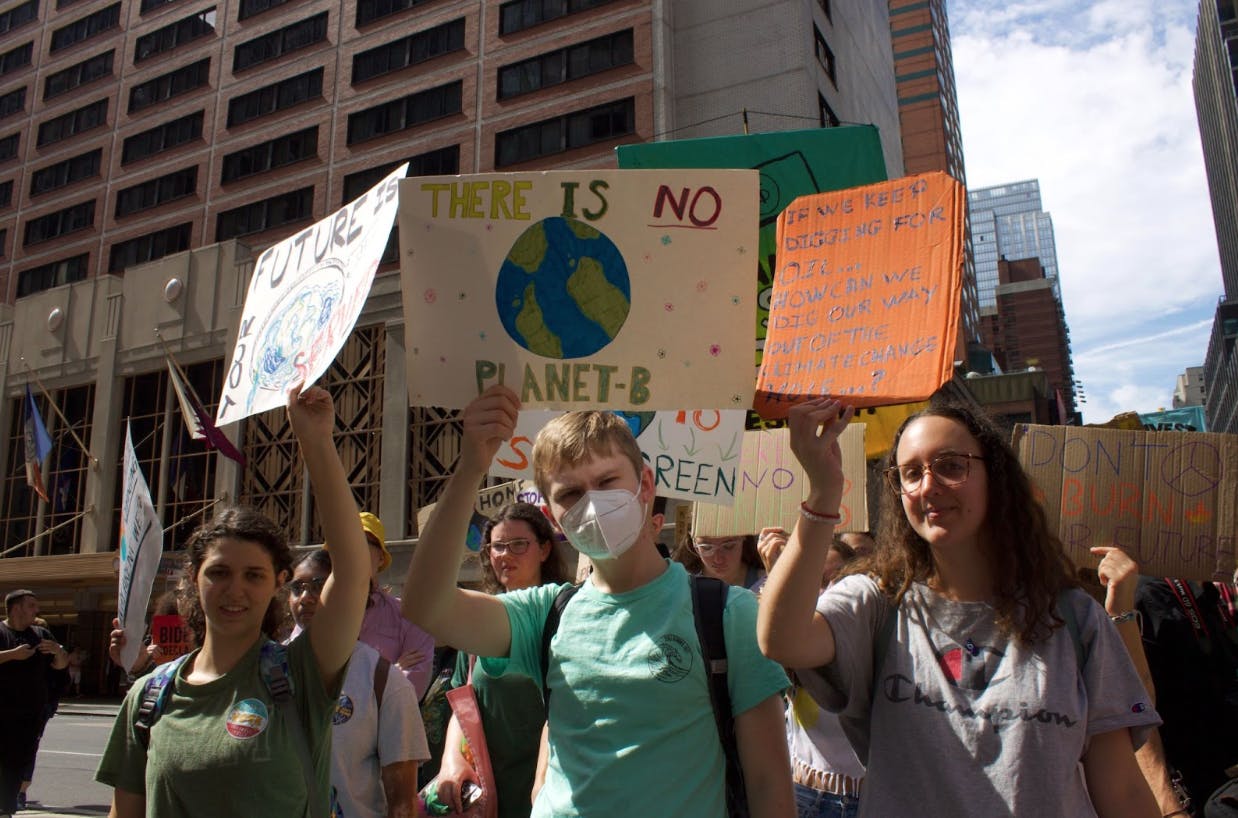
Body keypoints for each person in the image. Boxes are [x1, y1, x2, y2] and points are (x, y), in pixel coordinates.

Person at [403, 385, 793, 818]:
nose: (592, 503)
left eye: (607, 481)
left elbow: (769, 785)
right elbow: (426, 606)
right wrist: (471, 466)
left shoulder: (728, 613)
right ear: (553, 518)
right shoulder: (545, 614)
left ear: (645, 484)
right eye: (570, 494)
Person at [759, 398, 1162, 817]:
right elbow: (780, 638)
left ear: (996, 477)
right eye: (911, 474)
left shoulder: (1074, 617)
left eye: (951, 465)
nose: (928, 486)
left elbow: (1122, 790)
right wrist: (824, 491)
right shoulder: (876, 603)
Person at [95, 385, 371, 818]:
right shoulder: (148, 697)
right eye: (219, 572)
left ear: (279, 583)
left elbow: (353, 574)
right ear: (193, 579)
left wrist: (316, 442)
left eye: (254, 575)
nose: (235, 590)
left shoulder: (302, 674)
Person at [433, 502, 570, 818]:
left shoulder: (565, 616)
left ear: (545, 550)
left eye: (519, 544)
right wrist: (451, 759)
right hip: (485, 795)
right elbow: (463, 702)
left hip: (550, 791)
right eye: (497, 546)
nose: (505, 555)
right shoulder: (477, 620)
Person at [288, 548, 428, 818]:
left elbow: (402, 803)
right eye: (297, 587)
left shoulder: (385, 680)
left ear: (351, 594)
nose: (305, 597)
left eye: (318, 585)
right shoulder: (265, 670)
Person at [0, 590, 69, 817]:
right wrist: (12, 655)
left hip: (29, 716)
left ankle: (6, 809)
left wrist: (59, 652)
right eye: (31, 606)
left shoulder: (40, 634)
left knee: (16, 766)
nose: (36, 611)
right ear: (16, 608)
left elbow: (60, 667)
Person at [357, 512, 436, 699]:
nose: (351, 551)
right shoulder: (318, 613)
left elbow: (409, 691)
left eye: (361, 543)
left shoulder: (410, 617)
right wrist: (391, 674)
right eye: (342, 544)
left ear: (381, 559)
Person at [673, 530, 766, 590]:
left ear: (744, 536)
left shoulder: (766, 584)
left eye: (729, 546)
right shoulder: (682, 587)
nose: (718, 559)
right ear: (694, 543)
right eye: (706, 547)